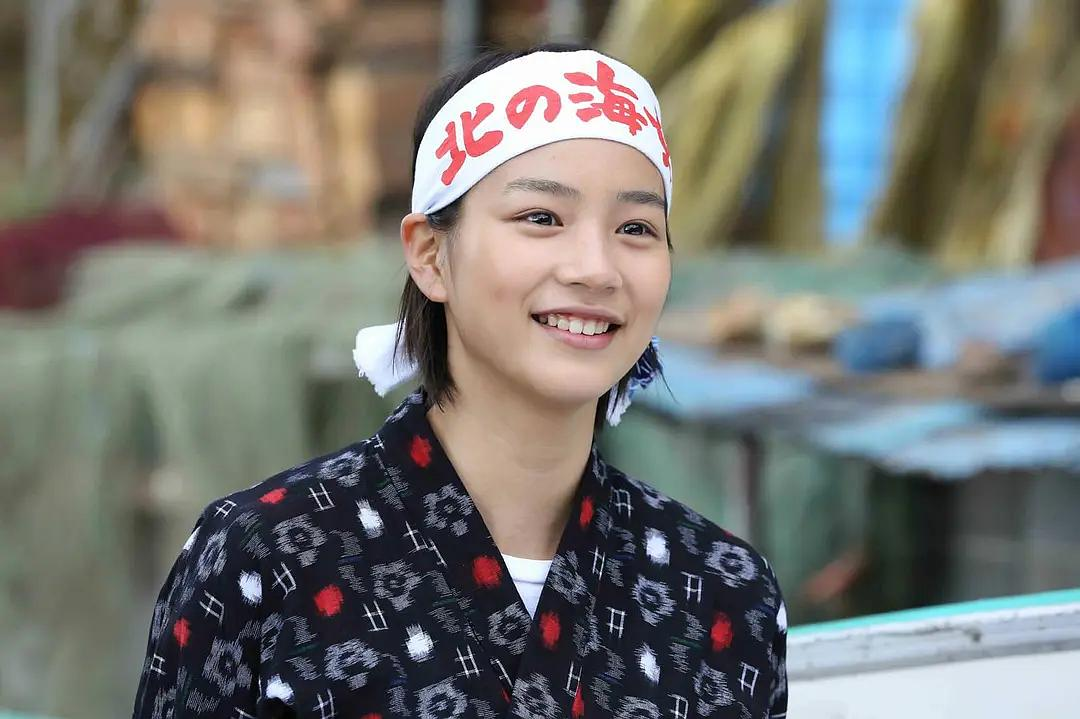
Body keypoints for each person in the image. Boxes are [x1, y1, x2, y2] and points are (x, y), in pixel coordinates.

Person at [132, 42, 787, 719]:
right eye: (541, 218)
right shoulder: (267, 558)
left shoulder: (724, 592)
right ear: (430, 254)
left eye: (636, 227)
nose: (596, 268)